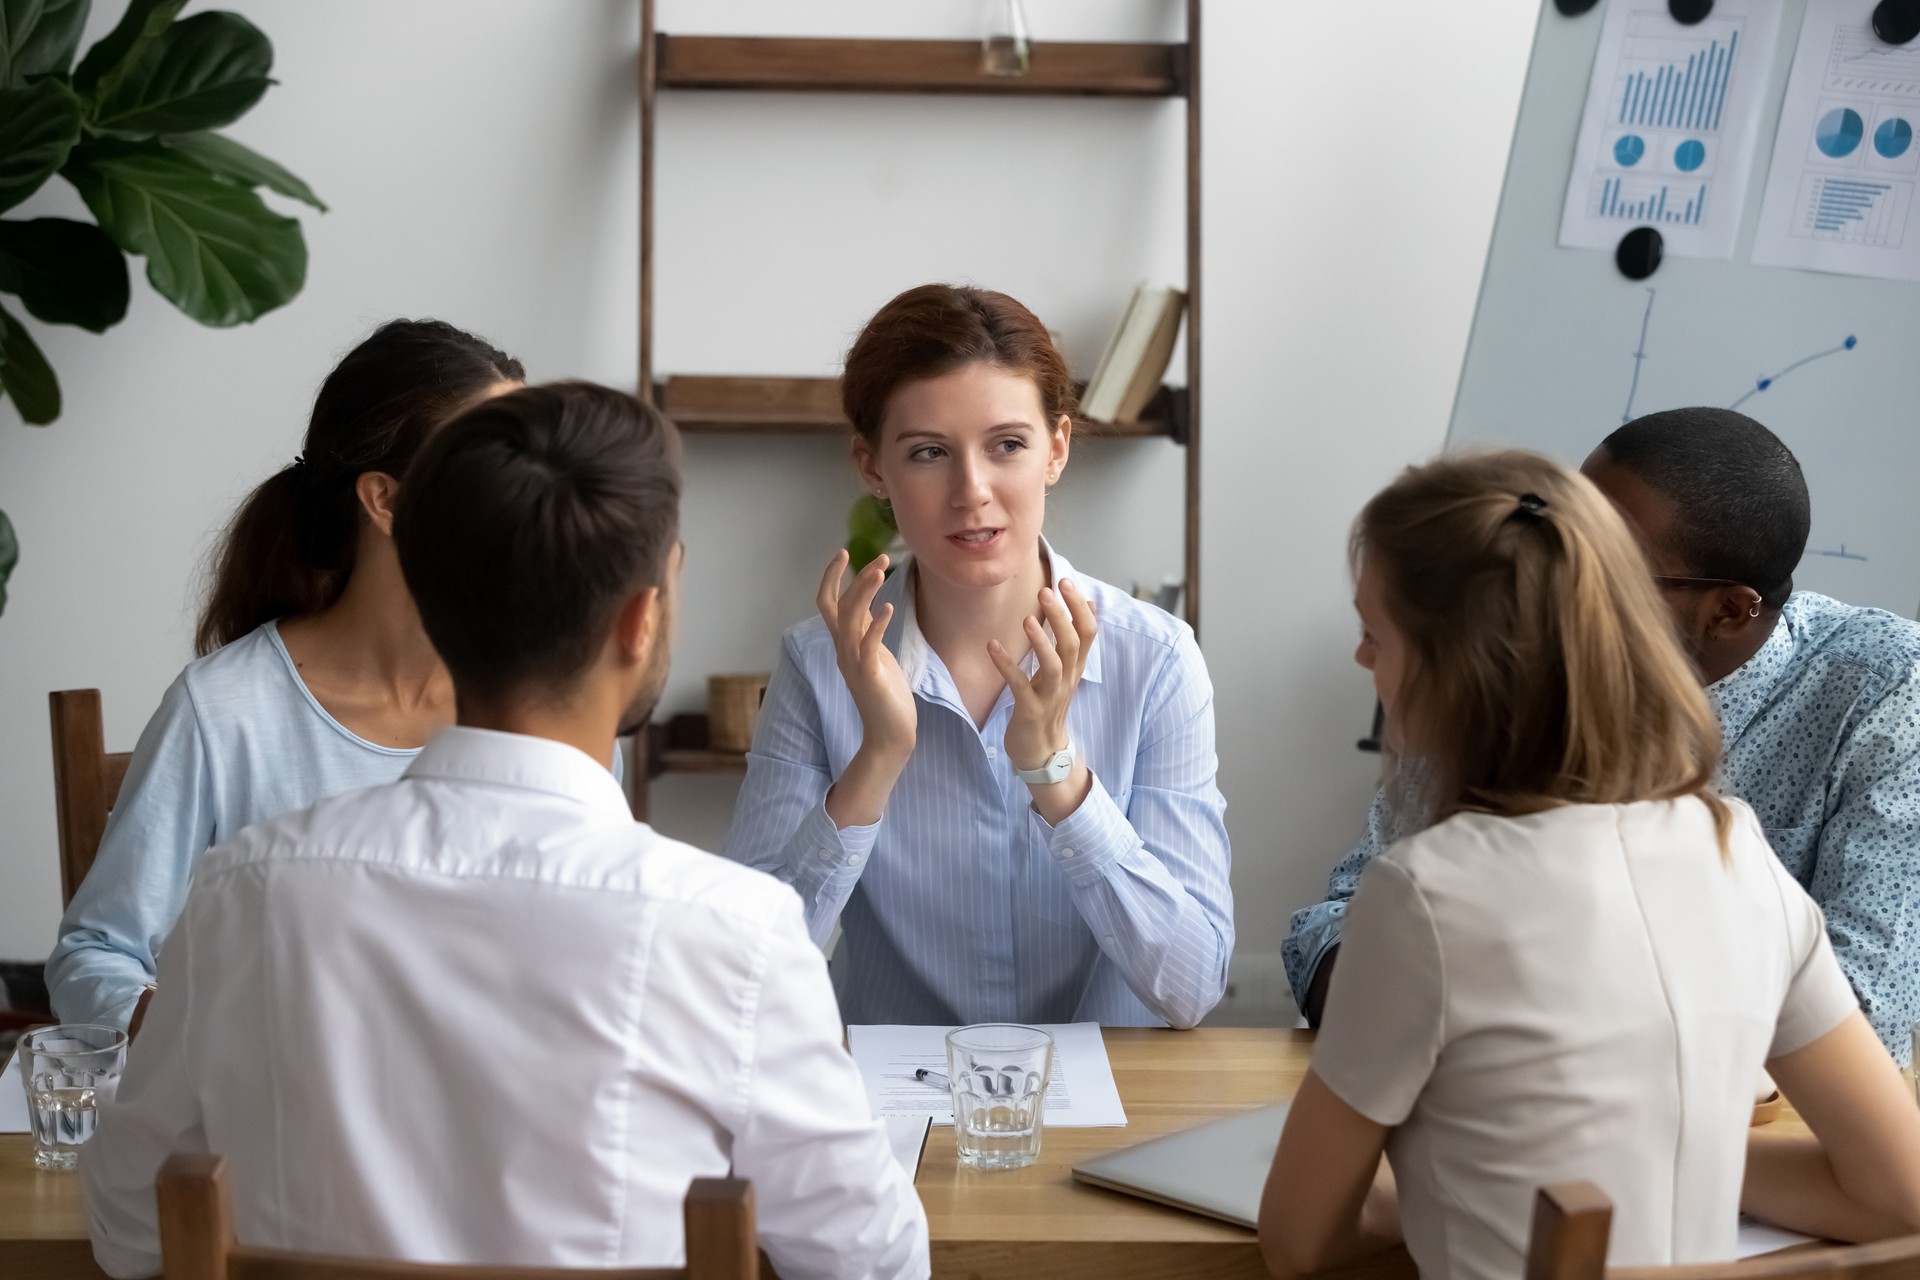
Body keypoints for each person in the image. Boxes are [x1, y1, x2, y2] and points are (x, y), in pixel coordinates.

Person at [82, 382, 929, 1280]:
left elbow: (131, 1230)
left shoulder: (241, 893)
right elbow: (872, 1266)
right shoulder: (738, 935)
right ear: (640, 621)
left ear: (435, 606)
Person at [1256, 450, 1920, 1280]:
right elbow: (1900, 1196)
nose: (1362, 664)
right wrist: (1674, 1157)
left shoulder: (1424, 895)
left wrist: (1465, 1173)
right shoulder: (1738, 850)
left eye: (1372, 635)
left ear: (1451, 672)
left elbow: (1299, 1241)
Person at [1283, 408, 1920, 1063]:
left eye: (1609, 567)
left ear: (1729, 610)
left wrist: (1492, 1001)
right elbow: (1337, 922)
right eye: (1561, 540)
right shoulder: (1518, 654)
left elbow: (1867, 1009)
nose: (1560, 581)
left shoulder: (1886, 685)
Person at [724, 284, 1232, 1027]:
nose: (972, 491)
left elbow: (1191, 988)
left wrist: (1058, 778)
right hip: (893, 1120)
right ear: (873, 469)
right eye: (929, 453)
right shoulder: (817, 665)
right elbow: (743, 974)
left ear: (1056, 449)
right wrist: (878, 759)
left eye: (1008, 446)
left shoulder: (1156, 662)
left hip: (1114, 1110)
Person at [47, 319, 524, 1034]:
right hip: (273, 1130)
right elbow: (97, 955)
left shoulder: (542, 701)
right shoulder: (225, 713)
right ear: (384, 501)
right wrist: (210, 1045)